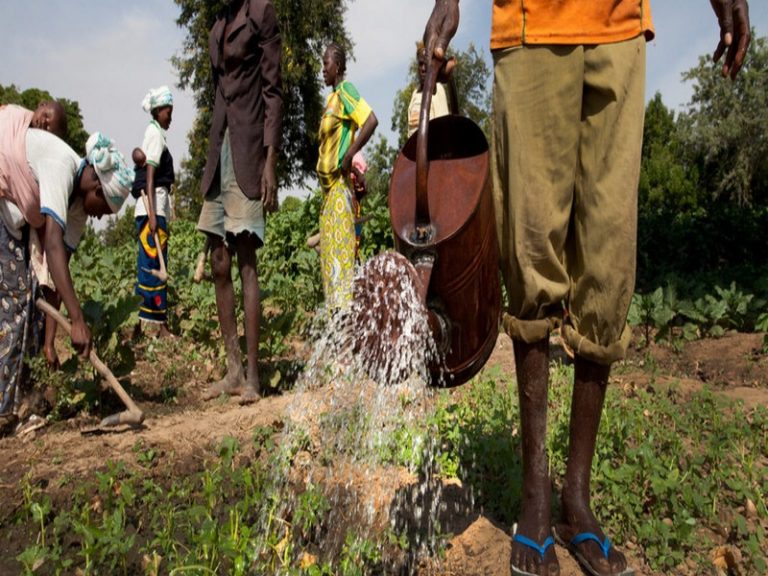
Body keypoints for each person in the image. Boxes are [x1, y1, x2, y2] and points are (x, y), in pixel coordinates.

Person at [422, 2, 751, 576]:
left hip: (620, 29)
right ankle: (536, 498)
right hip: (531, 28)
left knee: (610, 260)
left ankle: (576, 498)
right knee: (531, 246)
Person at [0, 110, 132, 428]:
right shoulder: (62, 165)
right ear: (97, 190)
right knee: (18, 297)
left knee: (31, 293)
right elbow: (54, 247)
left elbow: (56, 273)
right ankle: (5, 407)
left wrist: (49, 341)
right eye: (105, 211)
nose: (100, 218)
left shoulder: (77, 209)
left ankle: (24, 404)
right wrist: (77, 320)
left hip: (13, 212)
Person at [197, 0, 282, 404]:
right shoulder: (217, 26)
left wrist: (271, 161)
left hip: (249, 151)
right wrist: (210, 152)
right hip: (220, 149)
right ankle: (231, 371)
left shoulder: (260, 13)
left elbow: (272, 90)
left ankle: (252, 376)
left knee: (246, 257)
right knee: (218, 260)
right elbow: (219, 94)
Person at [316, 42, 378, 309]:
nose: (322, 69)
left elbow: (371, 120)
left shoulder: (346, 92)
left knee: (341, 265)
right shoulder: (331, 100)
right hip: (328, 195)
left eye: (326, 64)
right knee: (330, 267)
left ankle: (347, 332)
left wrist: (350, 154)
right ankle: (337, 330)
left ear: (338, 66)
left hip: (340, 193)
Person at [132, 86, 175, 338]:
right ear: (158, 111)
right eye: (169, 112)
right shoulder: (155, 135)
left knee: (147, 265)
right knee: (153, 264)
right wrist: (152, 215)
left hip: (152, 208)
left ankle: (141, 325)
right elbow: (150, 172)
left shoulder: (155, 133)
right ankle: (159, 325)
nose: (171, 117)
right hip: (152, 209)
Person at [406, 41, 453, 138]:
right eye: (420, 64)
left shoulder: (437, 89)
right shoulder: (415, 93)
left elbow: (442, 128)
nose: (423, 69)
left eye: (426, 64)